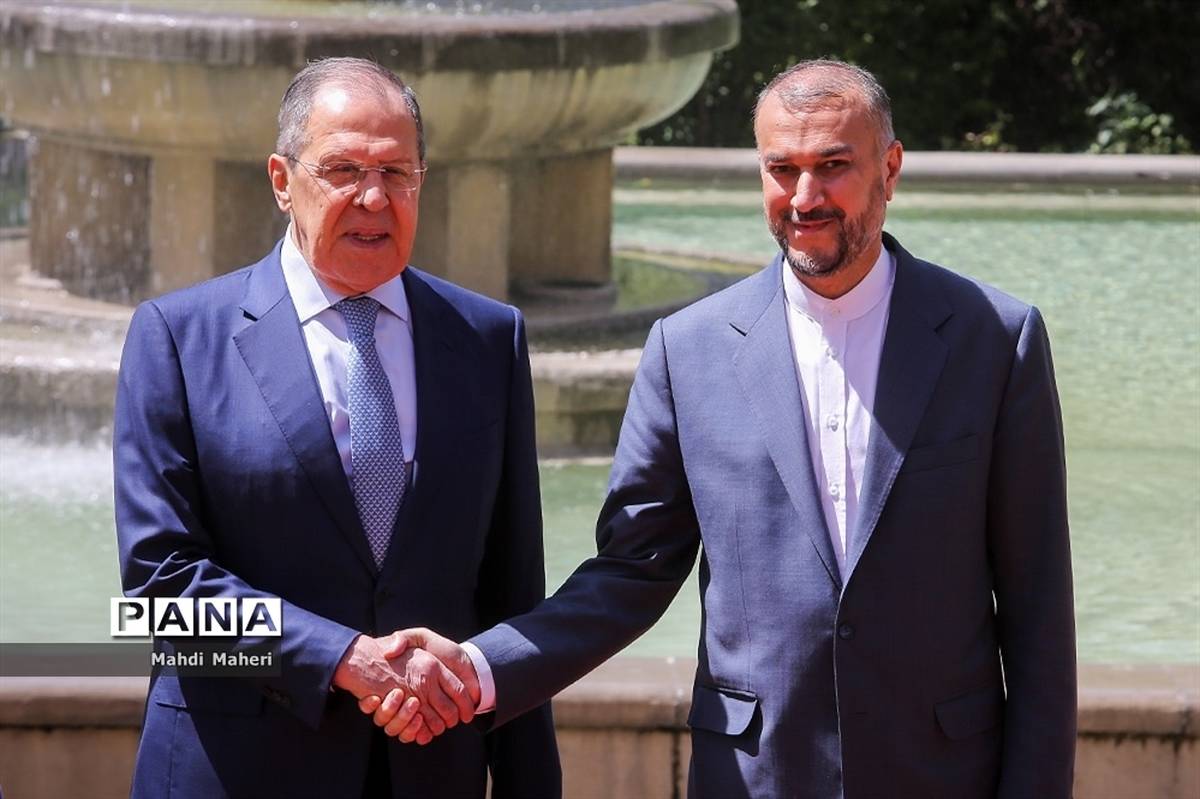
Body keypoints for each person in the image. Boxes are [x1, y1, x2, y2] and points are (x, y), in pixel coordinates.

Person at [380, 59, 1077, 797]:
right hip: (755, 775)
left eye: (833, 166)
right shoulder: (686, 350)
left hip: (941, 776)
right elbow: (631, 572)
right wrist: (479, 667)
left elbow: (1038, 611)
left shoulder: (995, 341)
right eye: (782, 169)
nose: (804, 196)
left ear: (890, 169)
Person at [113, 57, 560, 798]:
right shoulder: (178, 338)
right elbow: (156, 593)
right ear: (282, 181)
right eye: (344, 169)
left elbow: (514, 595)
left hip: (431, 772)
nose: (374, 197)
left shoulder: (489, 339)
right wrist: (342, 658)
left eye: (397, 173)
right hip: (234, 771)